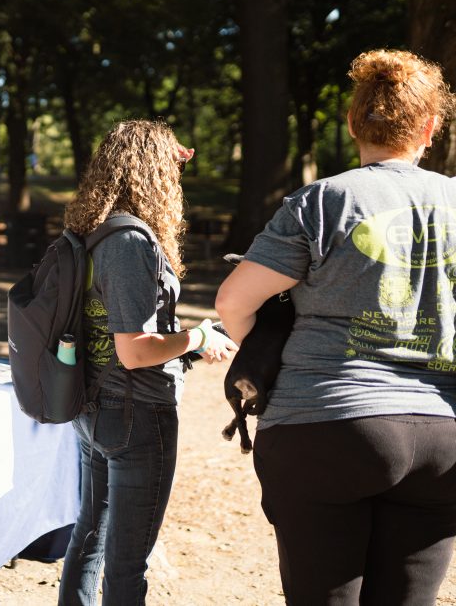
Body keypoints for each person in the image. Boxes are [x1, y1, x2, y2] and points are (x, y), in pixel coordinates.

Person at [216, 49, 456, 604]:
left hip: (325, 423)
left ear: (353, 123)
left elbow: (233, 301)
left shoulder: (324, 200)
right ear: (430, 126)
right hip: (443, 433)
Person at [58, 120, 237, 605]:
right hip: (136, 413)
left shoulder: (91, 232)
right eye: (171, 171)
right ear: (153, 174)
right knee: (126, 562)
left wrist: (188, 343)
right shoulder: (132, 243)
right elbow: (135, 350)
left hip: (91, 406)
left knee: (90, 535)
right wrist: (196, 335)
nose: (176, 182)